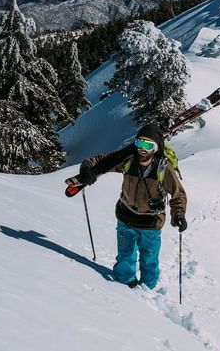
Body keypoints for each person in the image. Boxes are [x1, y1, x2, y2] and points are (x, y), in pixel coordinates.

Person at [78, 124, 187, 289]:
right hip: (126, 218)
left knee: (149, 259)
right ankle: (123, 287)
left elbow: (178, 193)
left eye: (148, 145)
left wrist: (179, 215)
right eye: (139, 143)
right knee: (125, 256)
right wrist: (86, 167)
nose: (142, 149)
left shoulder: (163, 169)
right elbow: (103, 161)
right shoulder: (128, 161)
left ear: (156, 148)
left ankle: (147, 290)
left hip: (151, 223)